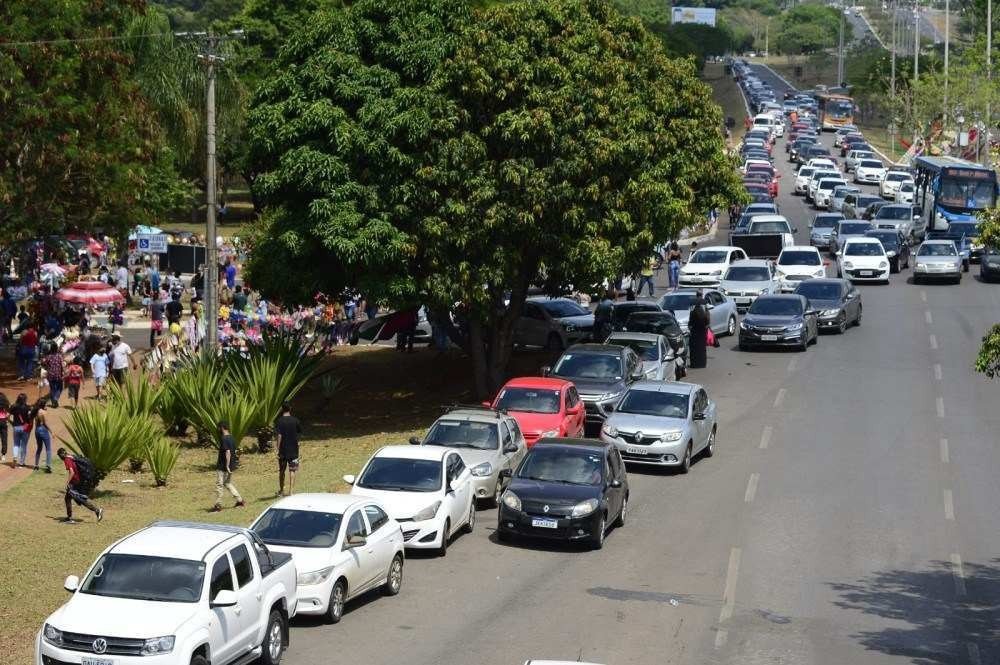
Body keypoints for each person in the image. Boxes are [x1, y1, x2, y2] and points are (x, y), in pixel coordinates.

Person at [56, 448, 103, 523]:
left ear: (61, 455)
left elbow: (72, 472)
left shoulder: (67, 460)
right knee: (69, 498)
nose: (60, 457)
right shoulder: (71, 457)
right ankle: (69, 517)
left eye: (59, 455)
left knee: (80, 499)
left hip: (75, 482)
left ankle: (97, 510)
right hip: (79, 481)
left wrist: (67, 483)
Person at [211, 421, 244, 512]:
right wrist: (231, 465)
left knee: (219, 485)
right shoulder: (232, 438)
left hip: (223, 466)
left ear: (221, 427)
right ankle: (240, 500)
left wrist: (227, 465)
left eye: (218, 428)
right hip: (231, 465)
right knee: (228, 483)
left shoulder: (224, 438)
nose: (218, 430)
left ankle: (218, 505)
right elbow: (235, 451)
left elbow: (228, 452)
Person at [275, 402, 302, 497]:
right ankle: (291, 492)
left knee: (282, 471)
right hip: (294, 450)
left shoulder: (280, 421)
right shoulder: (295, 420)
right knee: (292, 470)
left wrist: (277, 448)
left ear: (282, 409)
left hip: (283, 450)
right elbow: (298, 433)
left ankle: (282, 490)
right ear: (290, 408)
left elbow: (279, 435)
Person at [10, 393, 32, 467]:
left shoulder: (13, 406)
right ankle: (22, 462)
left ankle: (15, 457)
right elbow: (30, 418)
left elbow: (7, 415)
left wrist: (11, 423)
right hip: (25, 428)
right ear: (25, 399)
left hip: (16, 427)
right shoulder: (28, 407)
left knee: (16, 444)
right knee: (24, 445)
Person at [688, 298, 710, 369]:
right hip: (702, 334)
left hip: (694, 334)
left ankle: (695, 364)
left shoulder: (692, 313)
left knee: (694, 350)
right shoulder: (704, 314)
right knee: (702, 350)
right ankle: (702, 364)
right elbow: (707, 323)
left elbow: (690, 324)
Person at [33, 400, 52, 472]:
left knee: (39, 448)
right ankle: (48, 465)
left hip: (37, 430)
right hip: (43, 430)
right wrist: (51, 431)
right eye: (46, 405)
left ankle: (36, 465)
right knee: (48, 448)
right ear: (43, 405)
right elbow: (45, 423)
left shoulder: (35, 411)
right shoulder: (43, 412)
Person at [0, 393, 8, 465]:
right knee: (4, 438)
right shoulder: (6, 403)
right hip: (3, 421)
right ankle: (3, 455)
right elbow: (8, 413)